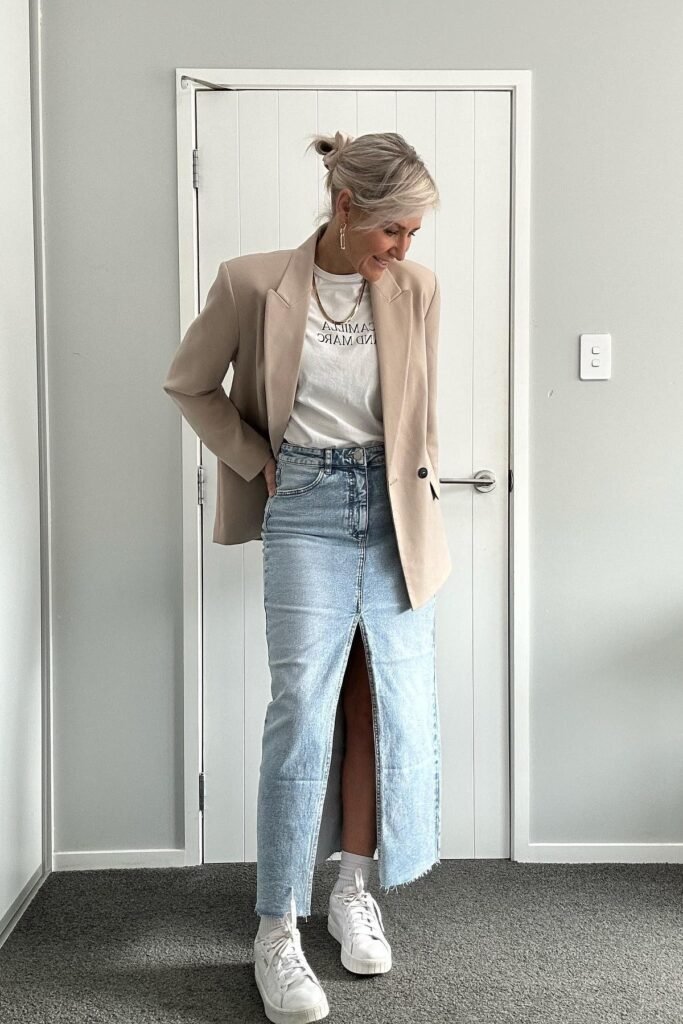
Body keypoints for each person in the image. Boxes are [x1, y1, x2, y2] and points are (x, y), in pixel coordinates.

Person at [162, 130, 452, 1024]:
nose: (404, 249)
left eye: (411, 234)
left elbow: (417, 415)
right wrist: (255, 459)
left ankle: (351, 891)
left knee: (381, 706)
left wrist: (419, 496)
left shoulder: (415, 289)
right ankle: (275, 928)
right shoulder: (254, 281)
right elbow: (188, 382)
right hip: (308, 509)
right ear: (345, 207)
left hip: (395, 513)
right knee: (301, 711)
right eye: (392, 231)